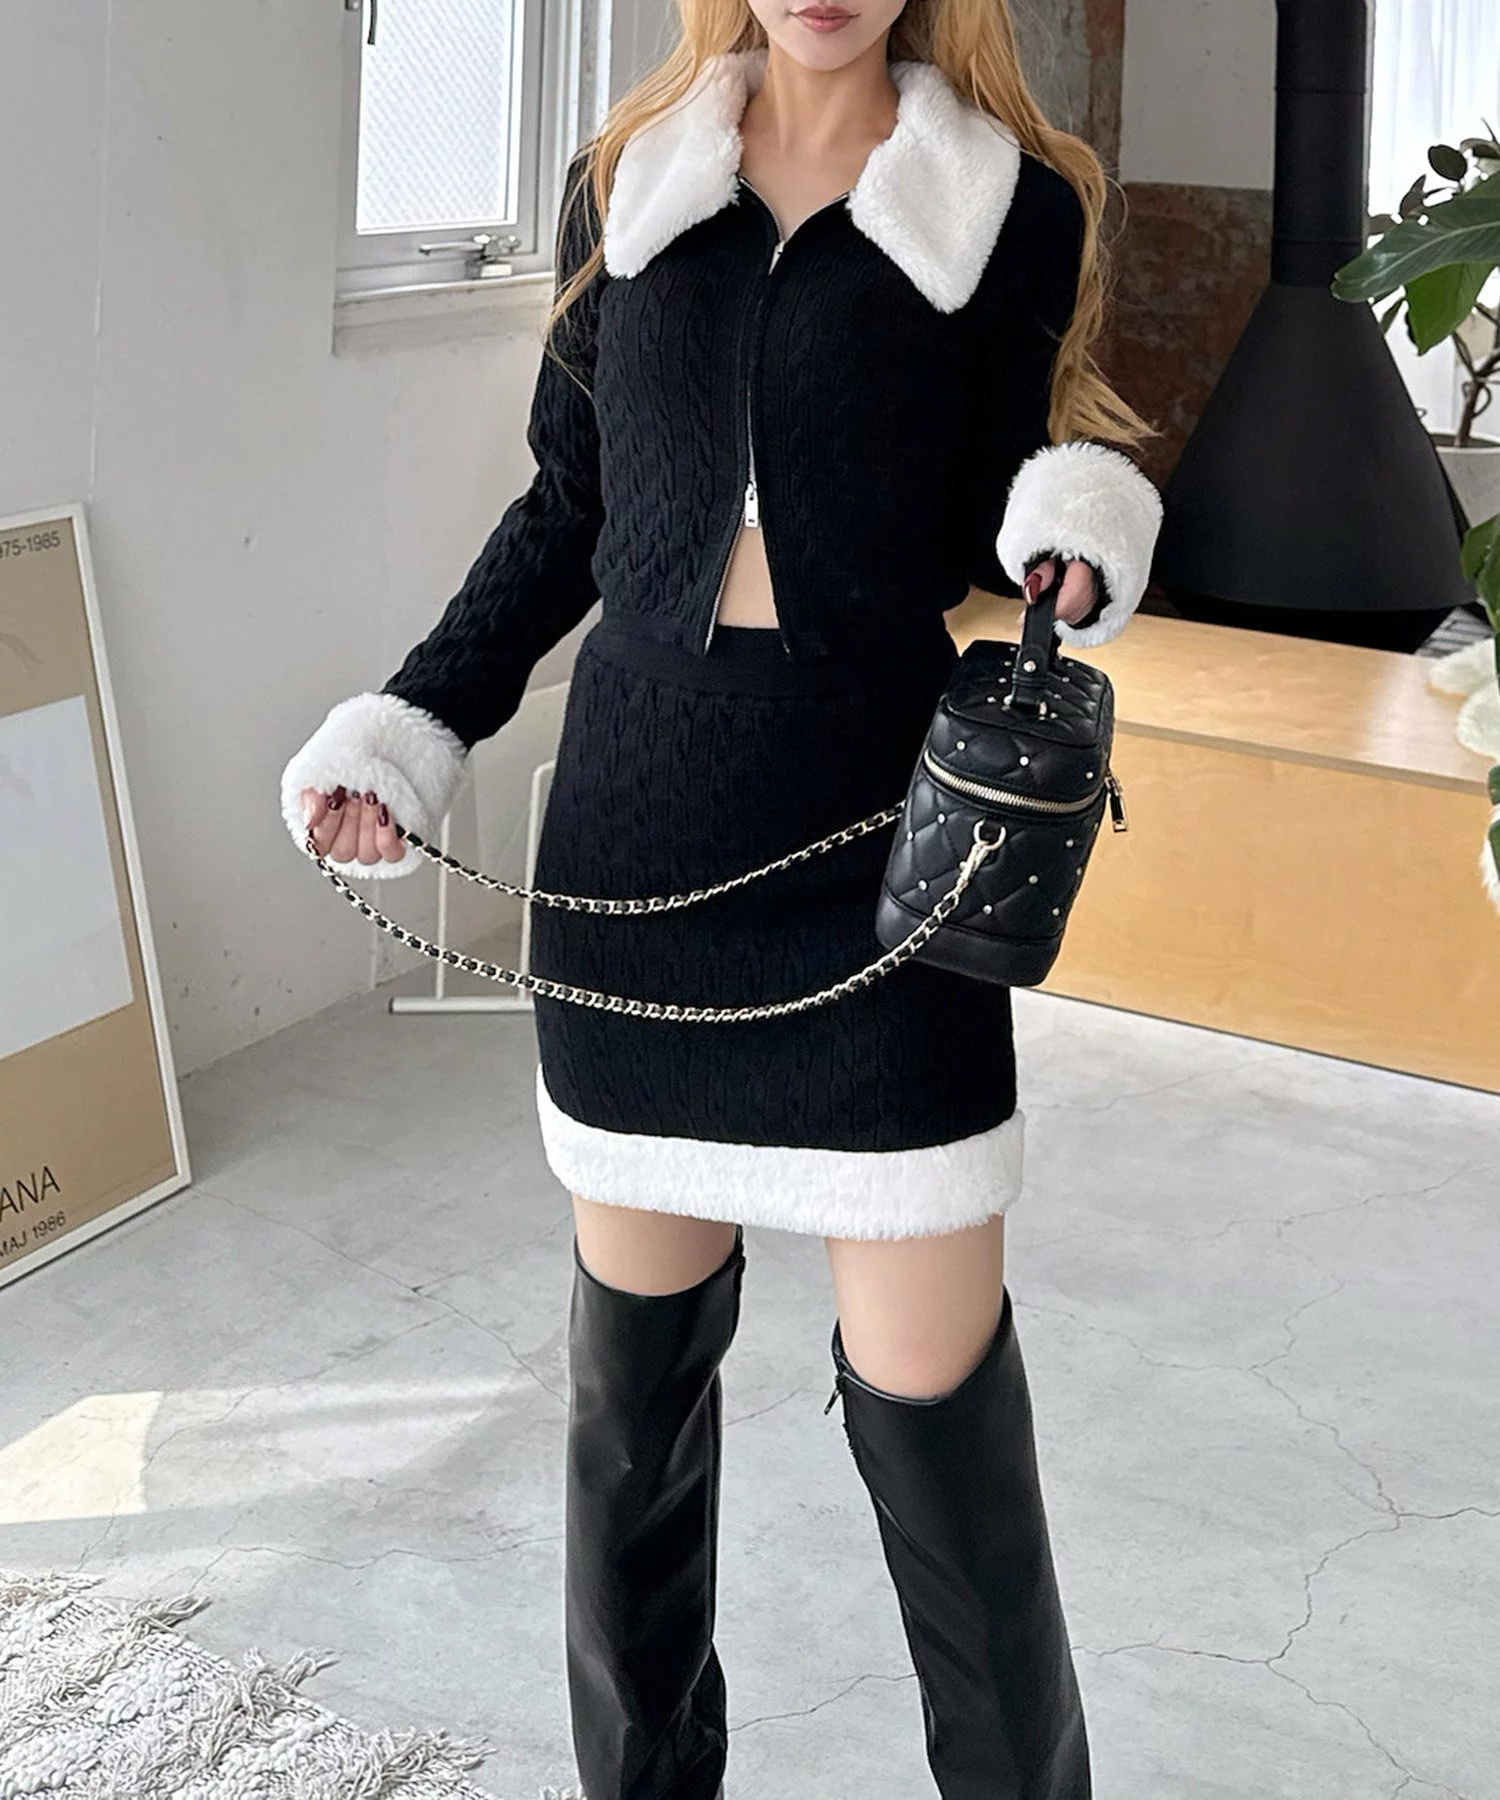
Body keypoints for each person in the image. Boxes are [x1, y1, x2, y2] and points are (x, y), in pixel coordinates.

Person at [280, 3, 1161, 1796]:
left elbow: (1003, 499)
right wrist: (412, 729)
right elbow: (568, 509)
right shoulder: (629, 175)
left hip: (879, 867)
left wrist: (1073, 530)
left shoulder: (1008, 199)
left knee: (945, 1437)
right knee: (632, 1440)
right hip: (639, 855)